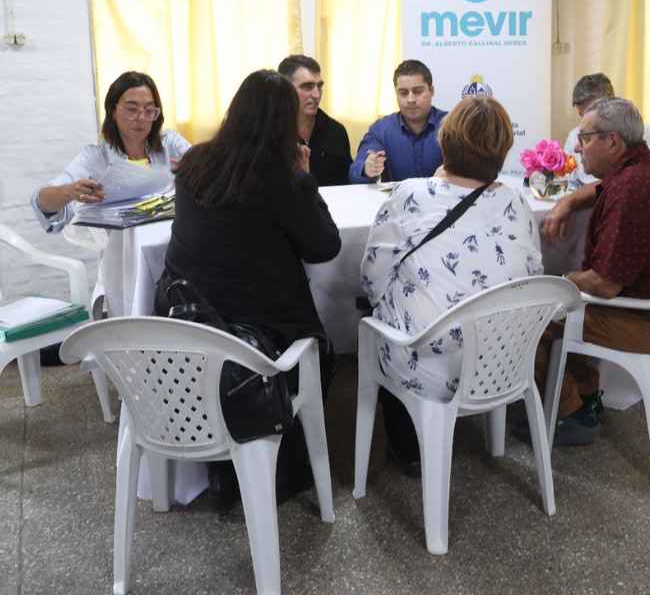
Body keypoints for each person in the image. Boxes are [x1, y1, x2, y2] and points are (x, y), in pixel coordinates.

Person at [157, 69, 341, 510]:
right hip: (262, 340)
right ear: (284, 122)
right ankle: (282, 471)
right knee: (325, 354)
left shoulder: (195, 164)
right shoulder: (284, 178)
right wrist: (306, 178)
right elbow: (324, 247)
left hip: (190, 325)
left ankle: (222, 472)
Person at [361, 95, 542, 476]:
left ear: (445, 142)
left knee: (374, 319)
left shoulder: (411, 194)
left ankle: (410, 448)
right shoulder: (518, 200)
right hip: (505, 356)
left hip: (429, 366)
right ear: (505, 148)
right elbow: (532, 269)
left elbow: (372, 278)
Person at [525, 97, 650, 446]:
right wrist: (567, 201)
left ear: (613, 142)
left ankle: (570, 413)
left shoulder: (631, 190)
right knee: (561, 303)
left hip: (648, 323)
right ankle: (584, 398)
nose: (578, 145)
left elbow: (604, 285)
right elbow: (600, 188)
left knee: (535, 315)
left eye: (586, 138)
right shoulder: (644, 170)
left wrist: (555, 284)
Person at [32, 71, 190, 233]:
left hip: (170, 241)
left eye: (149, 110)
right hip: (123, 251)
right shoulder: (94, 157)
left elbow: (205, 167)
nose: (141, 117)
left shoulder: (169, 142)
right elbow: (41, 202)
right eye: (131, 109)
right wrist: (69, 191)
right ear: (113, 111)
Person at [349, 59, 447, 183]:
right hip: (396, 202)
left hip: (445, 201)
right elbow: (354, 173)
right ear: (396, 93)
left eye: (417, 91)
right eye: (403, 93)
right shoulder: (381, 130)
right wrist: (367, 169)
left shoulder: (453, 125)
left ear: (431, 90)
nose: (410, 99)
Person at [563, 73, 650, 190]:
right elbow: (569, 182)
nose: (577, 148)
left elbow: (644, 181)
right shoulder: (574, 136)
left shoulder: (644, 134)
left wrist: (575, 200)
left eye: (592, 111)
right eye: (582, 115)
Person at [277, 54, 352, 187]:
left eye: (319, 86)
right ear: (285, 89)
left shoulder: (336, 132)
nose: (317, 95)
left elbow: (347, 185)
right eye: (307, 87)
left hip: (331, 206)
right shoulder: (271, 132)